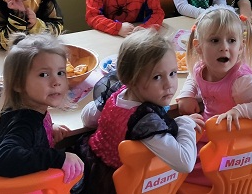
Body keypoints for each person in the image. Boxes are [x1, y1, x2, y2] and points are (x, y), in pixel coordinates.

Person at [77, 27, 204, 194]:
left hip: (93, 161)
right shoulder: (145, 122)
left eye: (172, 73)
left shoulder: (118, 92)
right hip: (121, 184)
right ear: (131, 79)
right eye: (157, 77)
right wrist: (184, 122)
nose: (169, 85)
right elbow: (185, 163)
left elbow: (87, 119)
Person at [0, 33, 83, 186]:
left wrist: (47, 128)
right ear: (18, 83)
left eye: (60, 72)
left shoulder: (30, 108)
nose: (56, 81)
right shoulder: (25, 122)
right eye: (44, 74)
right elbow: (4, 159)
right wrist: (59, 158)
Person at [177, 7, 252, 123]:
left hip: (234, 133)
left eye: (231, 40)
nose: (224, 47)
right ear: (198, 47)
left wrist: (240, 111)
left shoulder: (241, 83)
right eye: (215, 40)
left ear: (240, 47)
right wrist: (187, 94)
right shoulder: (201, 67)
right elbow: (193, 75)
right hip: (211, 125)